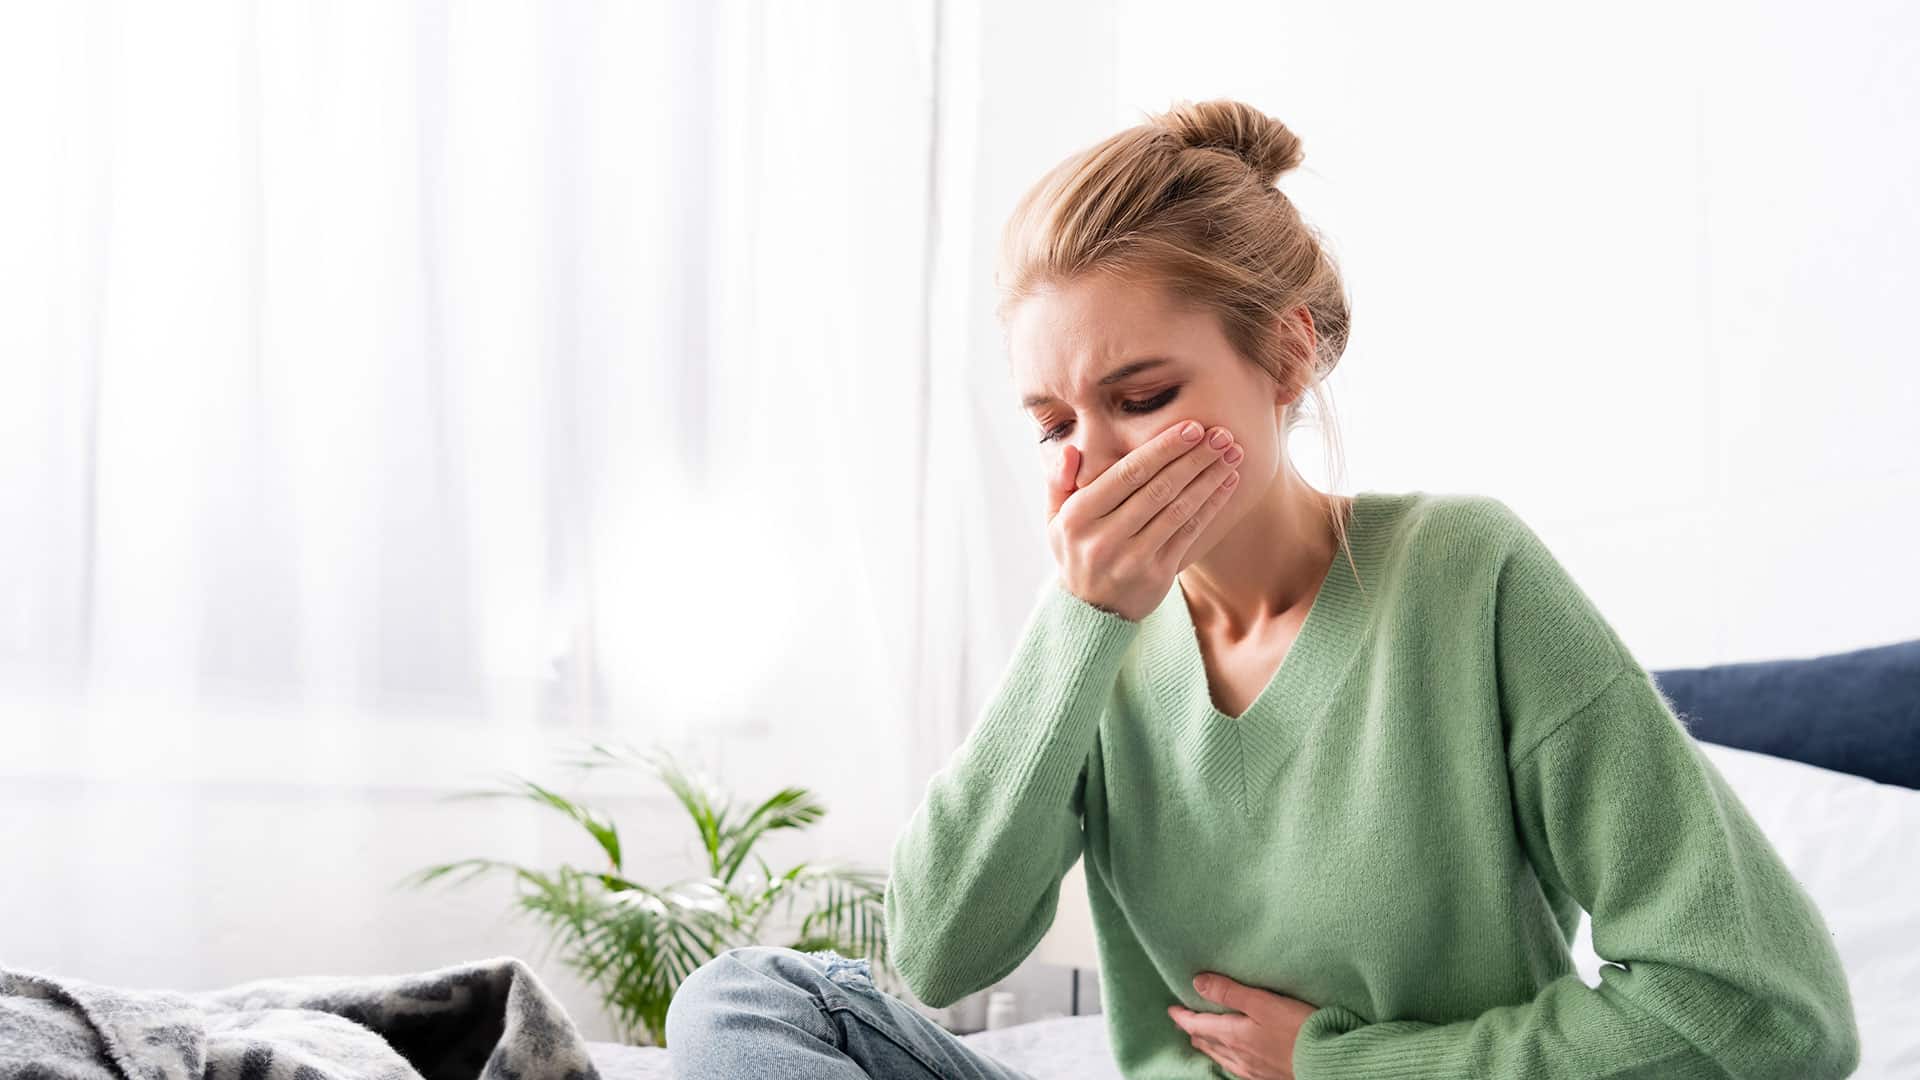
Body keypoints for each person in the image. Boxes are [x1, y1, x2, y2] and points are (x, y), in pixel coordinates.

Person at [666, 98, 1861, 1080]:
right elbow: (936, 953)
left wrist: (1348, 1065)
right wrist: (1080, 625)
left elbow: (1767, 1014)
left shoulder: (1465, 577)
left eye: (1141, 398)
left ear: (1286, 355)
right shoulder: (1091, 639)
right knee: (746, 1000)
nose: (1099, 467)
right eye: (1052, 426)